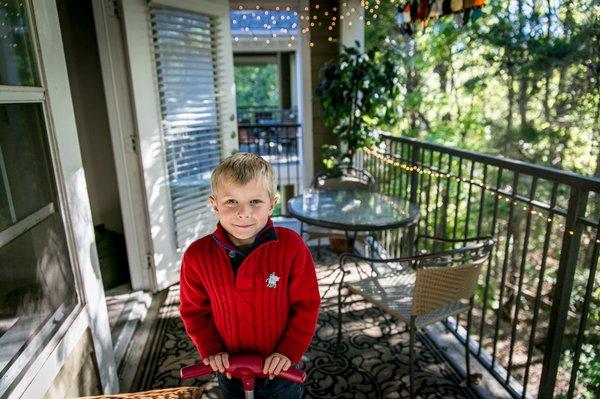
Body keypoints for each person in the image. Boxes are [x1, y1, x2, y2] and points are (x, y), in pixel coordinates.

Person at [179, 152, 320, 399]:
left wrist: (289, 351)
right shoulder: (197, 257)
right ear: (214, 204)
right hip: (230, 370)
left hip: (280, 370)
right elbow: (194, 312)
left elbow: (306, 305)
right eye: (231, 202)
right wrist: (211, 350)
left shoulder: (292, 247)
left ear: (272, 204)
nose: (244, 213)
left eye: (255, 201)